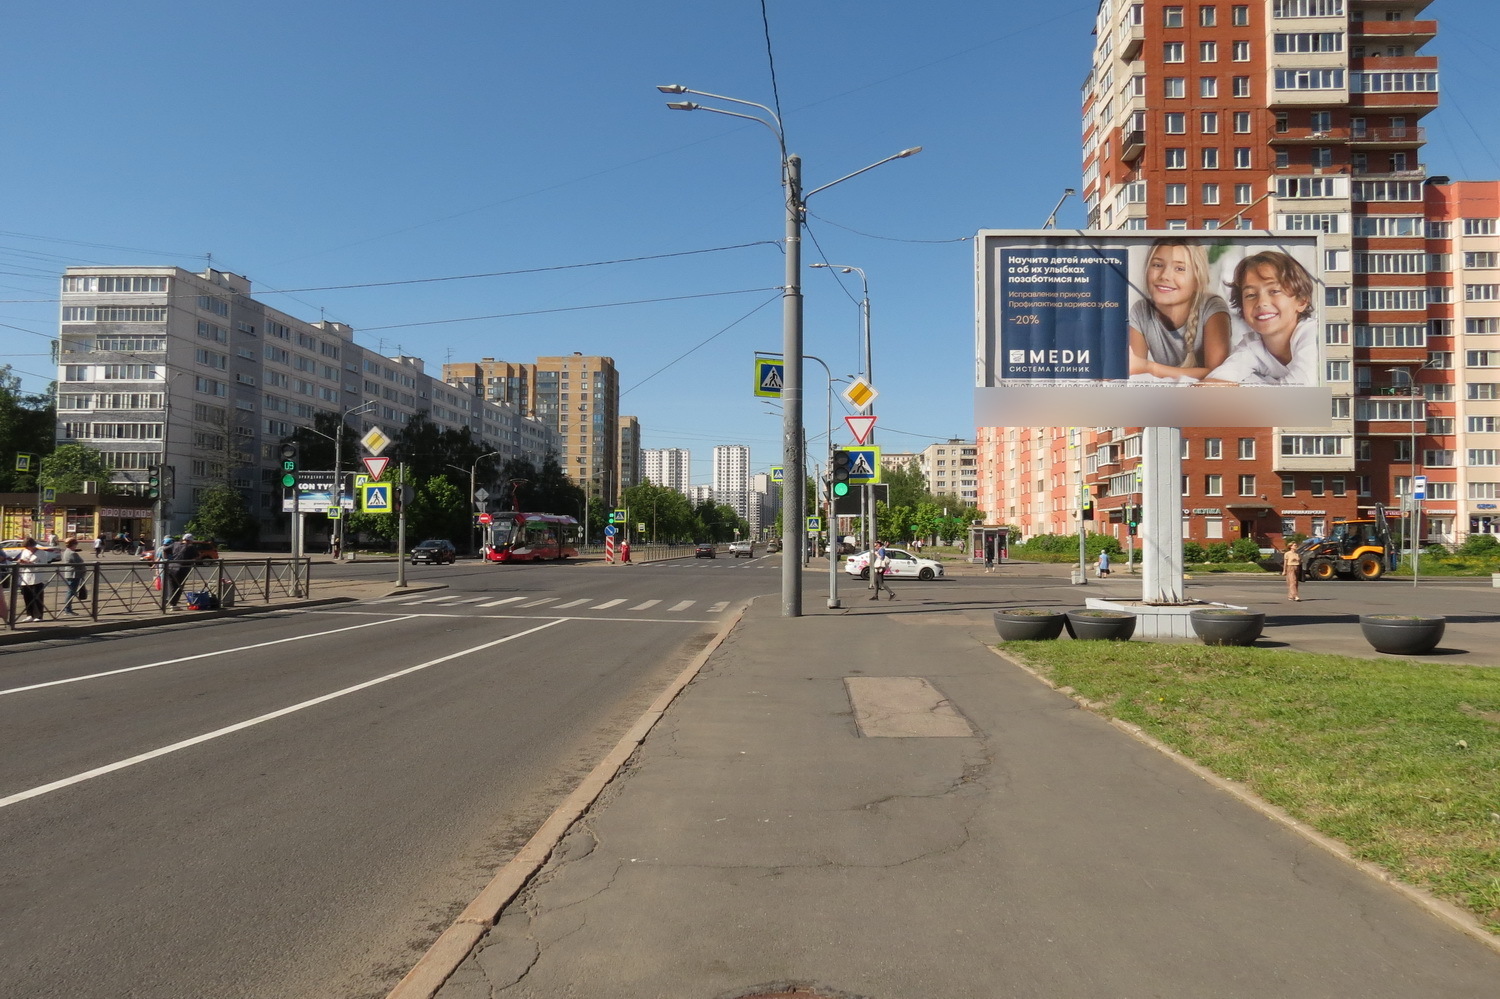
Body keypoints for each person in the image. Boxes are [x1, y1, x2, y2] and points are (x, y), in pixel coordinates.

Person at [1204, 250, 1318, 386]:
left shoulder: (1313, 335)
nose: (1261, 302)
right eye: (1251, 295)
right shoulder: (1252, 345)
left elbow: (1302, 390)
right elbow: (1214, 383)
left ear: (1301, 302)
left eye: (1274, 291)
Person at [1128, 238, 1233, 381]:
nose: (1165, 276)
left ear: (1197, 279)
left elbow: (1218, 376)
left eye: (1180, 269)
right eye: (1157, 265)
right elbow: (1134, 368)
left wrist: (1150, 368)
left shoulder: (1212, 307)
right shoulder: (1141, 310)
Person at [16, 537, 53, 622]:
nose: (27, 548)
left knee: (37, 596)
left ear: (33, 545)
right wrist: (21, 562)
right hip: (25, 577)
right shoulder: (25, 551)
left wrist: (30, 563)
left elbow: (43, 565)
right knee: (27, 596)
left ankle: (38, 616)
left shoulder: (41, 552)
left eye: (28, 547)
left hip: (37, 577)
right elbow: (21, 563)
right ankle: (29, 615)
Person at [164, 534, 200, 609]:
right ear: (190, 541)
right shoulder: (190, 547)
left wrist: (166, 560)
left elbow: (164, 550)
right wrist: (192, 561)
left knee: (172, 586)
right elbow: (197, 557)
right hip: (182, 568)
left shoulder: (175, 544)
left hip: (171, 567)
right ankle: (173, 605)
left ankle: (169, 603)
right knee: (179, 587)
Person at [61, 537, 86, 614]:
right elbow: (79, 563)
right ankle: (67, 609)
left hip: (69, 573)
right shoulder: (72, 553)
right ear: (73, 544)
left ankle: (68, 609)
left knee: (71, 591)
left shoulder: (66, 552)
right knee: (71, 592)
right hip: (74, 574)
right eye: (76, 544)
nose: (76, 546)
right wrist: (83, 571)